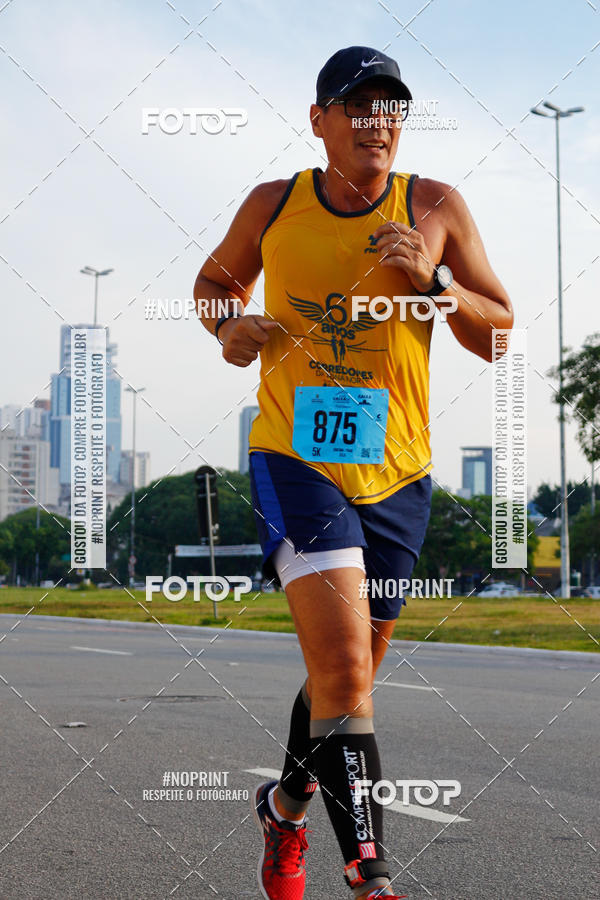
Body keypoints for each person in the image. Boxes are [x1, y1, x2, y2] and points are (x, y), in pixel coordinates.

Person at [194, 45, 512, 900]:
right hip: (297, 457)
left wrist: (436, 283)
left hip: (398, 470)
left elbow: (500, 328)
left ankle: (284, 805)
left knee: (351, 677)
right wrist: (227, 330)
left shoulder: (436, 205)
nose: (378, 123)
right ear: (320, 120)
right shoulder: (276, 203)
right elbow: (214, 285)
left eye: (391, 109)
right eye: (359, 107)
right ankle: (370, 872)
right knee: (340, 675)